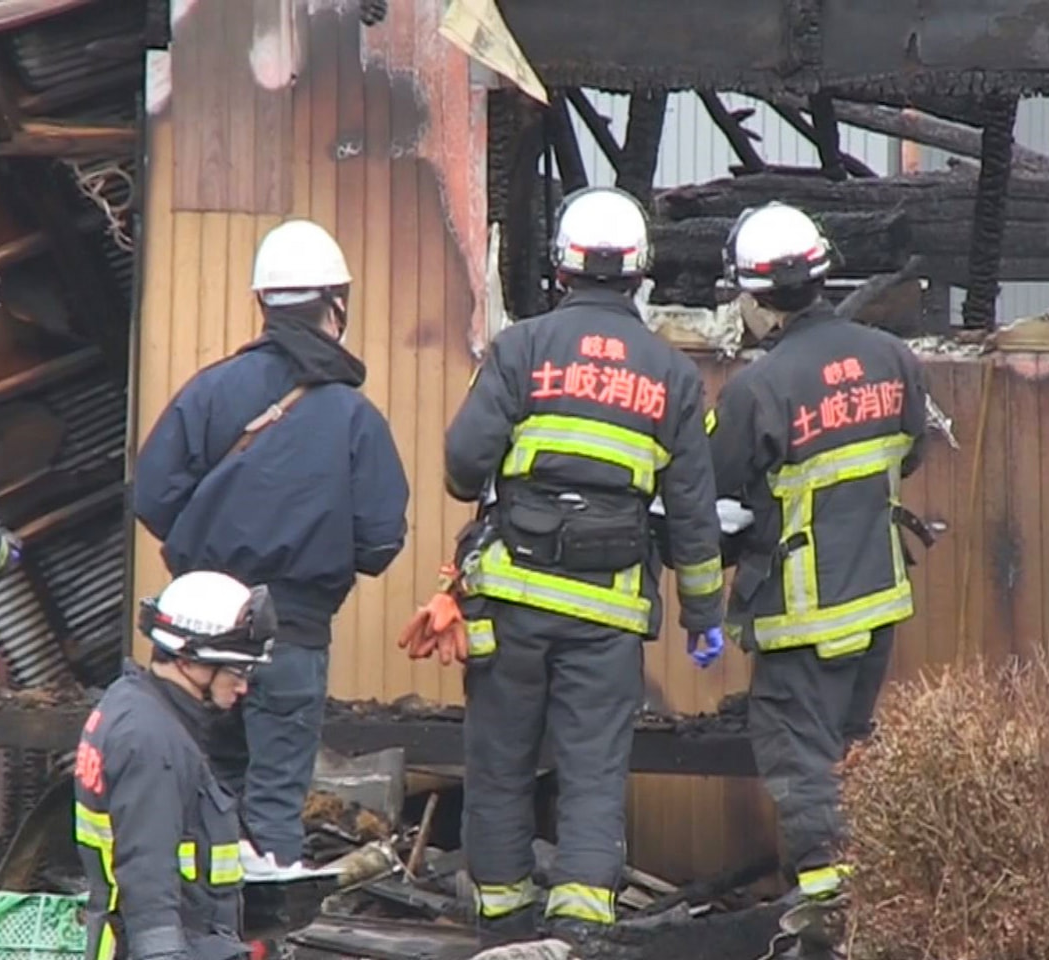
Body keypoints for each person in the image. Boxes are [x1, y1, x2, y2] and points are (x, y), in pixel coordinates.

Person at [441, 185, 725, 950]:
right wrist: (704, 621)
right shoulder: (673, 376)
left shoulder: (520, 349)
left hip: (512, 604)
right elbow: (695, 516)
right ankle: (578, 926)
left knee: (499, 764)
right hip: (608, 617)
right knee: (595, 771)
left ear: (562, 270)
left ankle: (502, 924)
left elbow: (464, 470)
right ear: (640, 273)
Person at [132, 218, 410, 871]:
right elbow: (379, 543)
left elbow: (152, 497)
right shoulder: (354, 418)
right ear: (336, 304)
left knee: (195, 798)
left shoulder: (208, 392)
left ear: (263, 303)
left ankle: (192, 932)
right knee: (275, 806)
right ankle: (262, 938)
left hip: (195, 638)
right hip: (292, 635)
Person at [706, 202, 928, 958]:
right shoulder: (891, 359)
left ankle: (832, 923)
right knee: (852, 752)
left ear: (759, 298)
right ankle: (876, 901)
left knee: (802, 764)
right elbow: (911, 453)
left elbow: (717, 495)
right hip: (877, 596)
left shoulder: (758, 389)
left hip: (803, 613)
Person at [74, 571, 277, 960]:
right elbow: (145, 873)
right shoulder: (151, 740)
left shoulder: (138, 706)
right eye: (236, 671)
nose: (243, 686)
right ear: (190, 658)